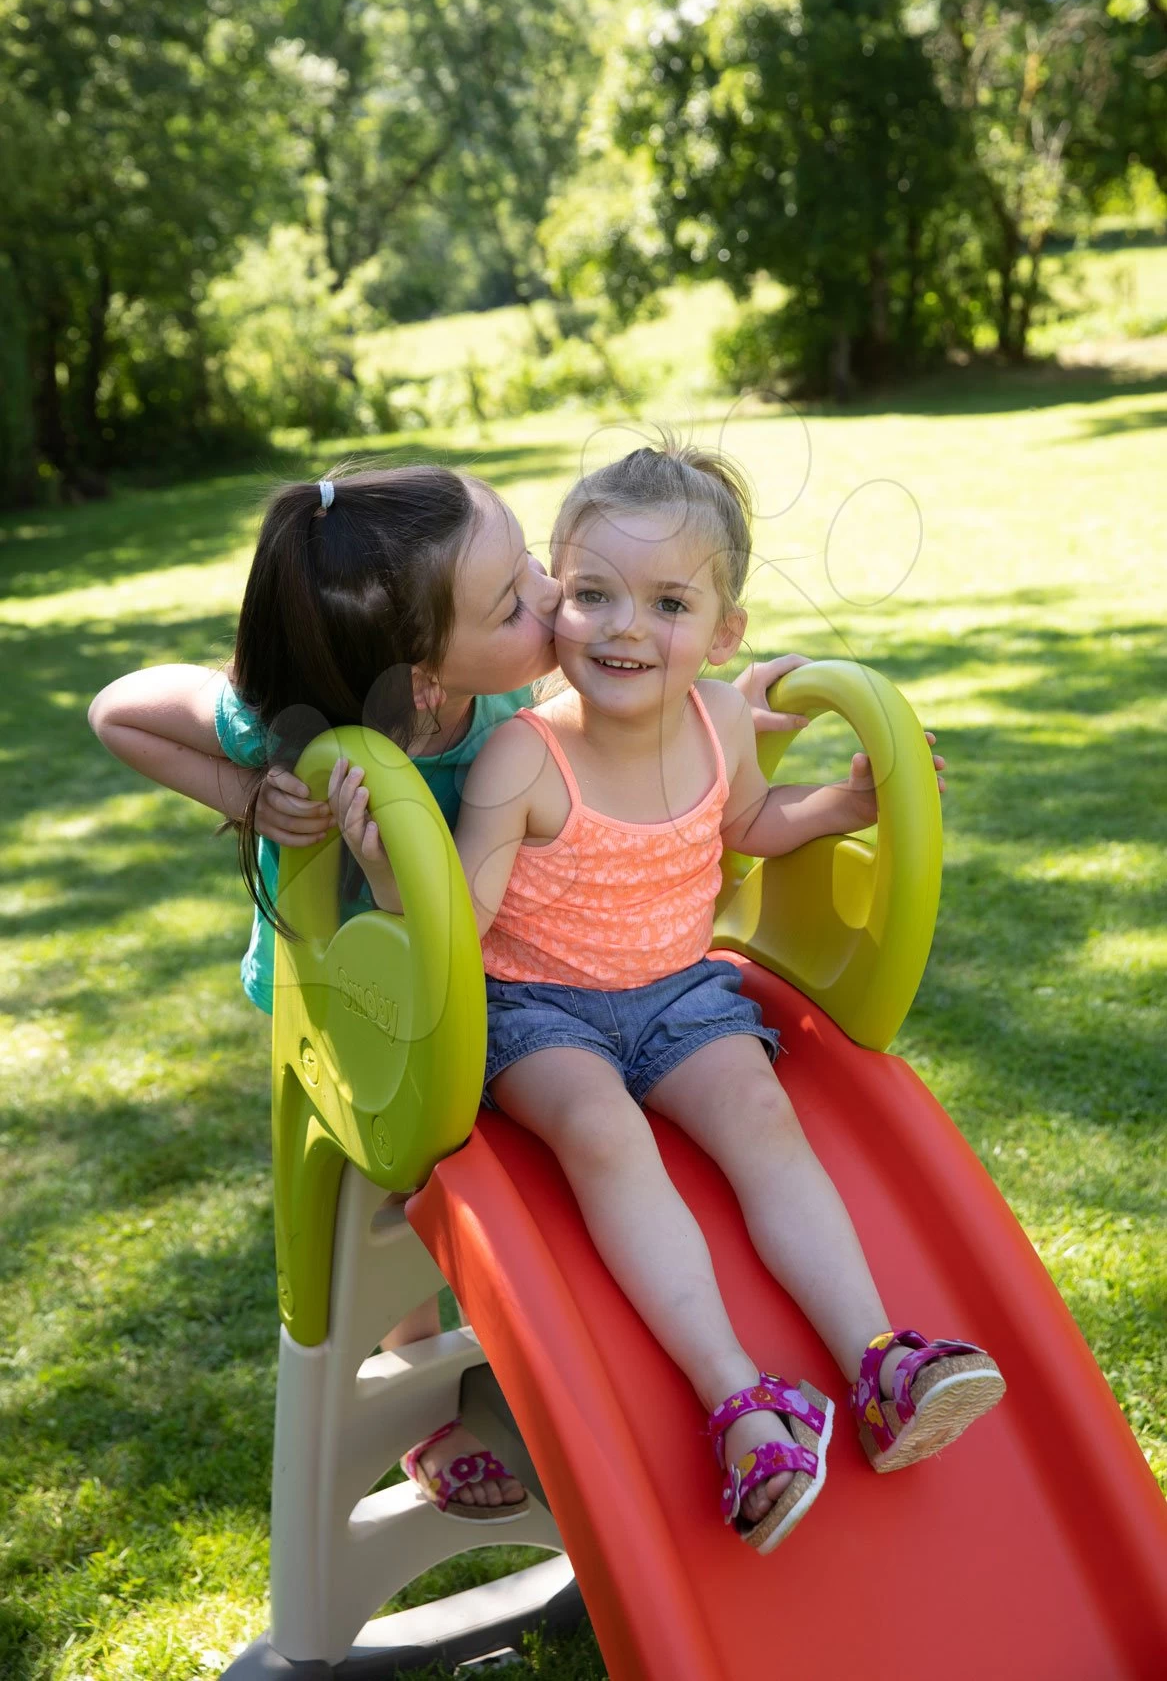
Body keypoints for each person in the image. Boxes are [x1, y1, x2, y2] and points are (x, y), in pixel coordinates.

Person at [88, 459, 813, 1523]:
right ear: (429, 673)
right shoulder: (279, 720)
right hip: (353, 998)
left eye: (527, 558)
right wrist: (250, 792)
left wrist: (718, 711)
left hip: (470, 982)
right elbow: (118, 711)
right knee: (384, 1198)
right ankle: (425, 1397)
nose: (548, 592)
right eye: (518, 595)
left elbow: (609, 711)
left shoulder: (506, 696)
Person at [332, 441, 1006, 1555]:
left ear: (723, 634)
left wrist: (839, 805)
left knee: (761, 1113)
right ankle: (738, 1399)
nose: (622, 627)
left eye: (667, 602)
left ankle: (878, 1359)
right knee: (602, 1129)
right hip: (536, 1009)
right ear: (554, 597)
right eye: (591, 594)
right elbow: (465, 913)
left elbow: (741, 824)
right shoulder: (525, 761)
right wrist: (399, 870)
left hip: (681, 994)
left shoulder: (720, 724)